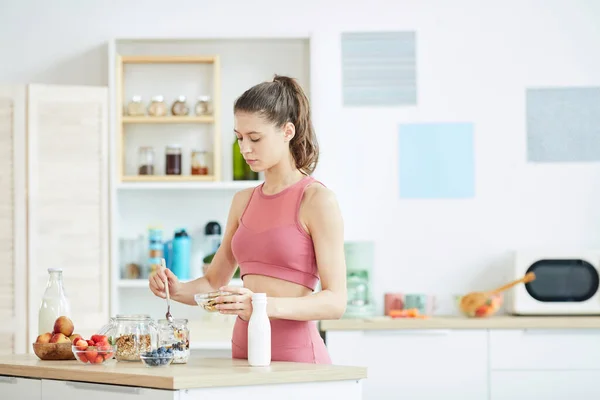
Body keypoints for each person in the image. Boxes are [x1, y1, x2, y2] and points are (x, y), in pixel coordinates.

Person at [149, 74, 347, 364]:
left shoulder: (316, 200)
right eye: (239, 138)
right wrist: (176, 289)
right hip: (242, 355)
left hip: (297, 358)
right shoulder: (243, 201)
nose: (244, 149)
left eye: (255, 138)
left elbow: (335, 301)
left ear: (287, 131)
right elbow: (214, 282)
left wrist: (260, 305)